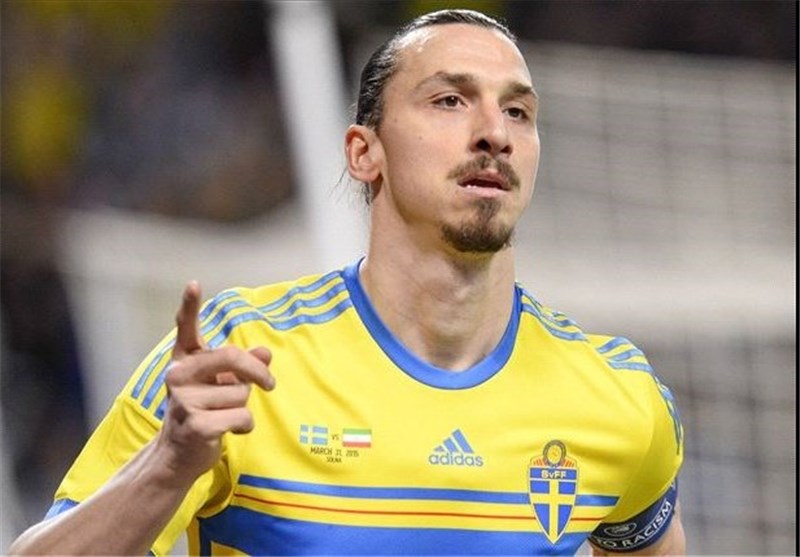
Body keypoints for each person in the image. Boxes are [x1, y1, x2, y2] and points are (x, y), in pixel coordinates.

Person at [8, 8, 685, 556]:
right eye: (450, 100)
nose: (493, 133)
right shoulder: (238, 358)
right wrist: (167, 464)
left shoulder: (617, 398)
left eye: (518, 112)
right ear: (365, 152)